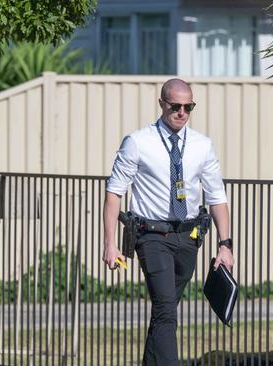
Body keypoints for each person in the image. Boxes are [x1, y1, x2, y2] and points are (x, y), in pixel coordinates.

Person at [102, 78, 234, 365]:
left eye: (189, 107)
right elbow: (114, 193)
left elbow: (217, 197)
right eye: (175, 106)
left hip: (188, 238)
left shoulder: (202, 145)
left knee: (166, 311)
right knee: (165, 309)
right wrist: (110, 244)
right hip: (151, 237)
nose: (182, 112)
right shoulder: (137, 142)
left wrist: (225, 245)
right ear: (162, 103)